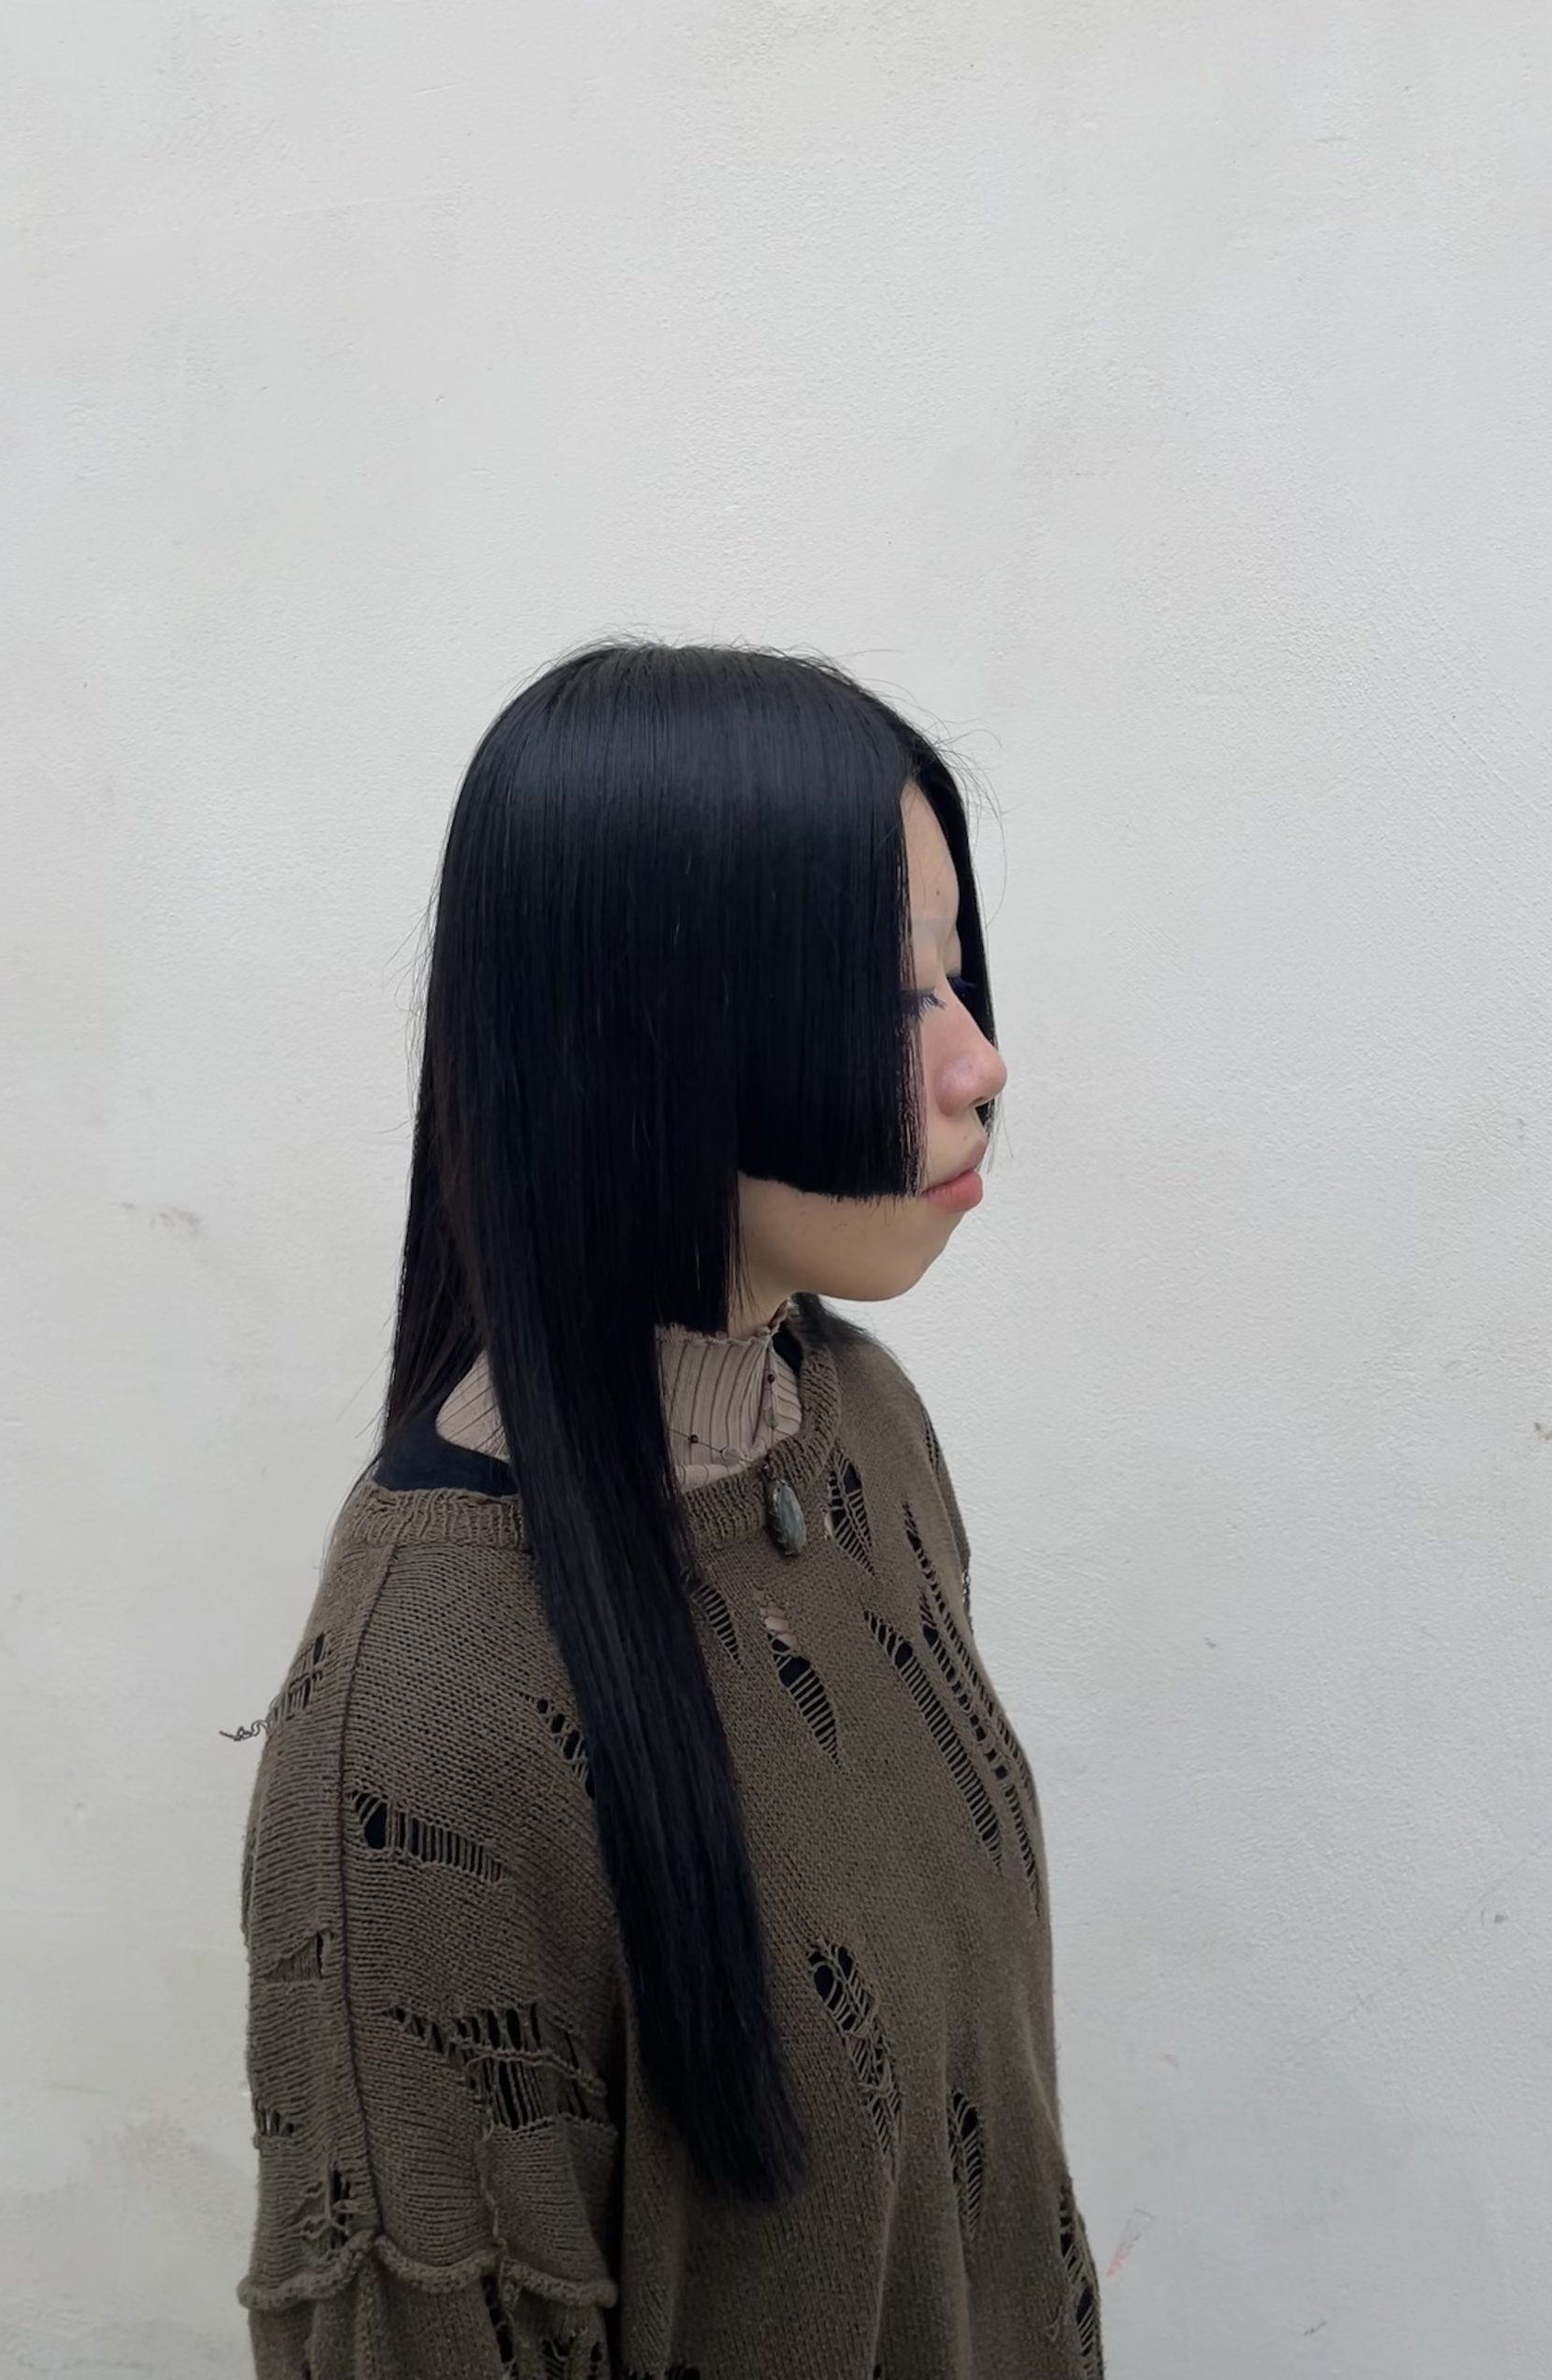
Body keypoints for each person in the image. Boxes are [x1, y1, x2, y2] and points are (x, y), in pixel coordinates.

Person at [235, 640, 1105, 2377]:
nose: (981, 1061)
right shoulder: (428, 1717)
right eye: (894, 997)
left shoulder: (857, 1426)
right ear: (650, 1034)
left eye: (955, 974)